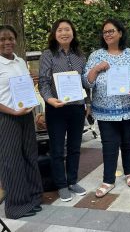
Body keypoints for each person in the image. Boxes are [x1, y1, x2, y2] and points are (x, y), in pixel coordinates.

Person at [83, 19, 130, 198]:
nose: (108, 34)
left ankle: (129, 172)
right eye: (105, 32)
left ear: (120, 33)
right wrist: (96, 69)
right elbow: (86, 82)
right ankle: (108, 180)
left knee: (128, 141)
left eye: (111, 31)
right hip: (105, 110)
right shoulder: (96, 55)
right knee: (109, 144)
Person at [39, 19, 88, 202]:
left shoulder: (80, 56)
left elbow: (84, 83)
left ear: (73, 33)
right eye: (60, 30)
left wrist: (87, 103)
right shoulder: (48, 55)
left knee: (75, 147)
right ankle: (61, 185)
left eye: (67, 29)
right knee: (58, 149)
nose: (64, 33)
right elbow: (43, 82)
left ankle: (72, 181)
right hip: (56, 108)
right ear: (54, 33)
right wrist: (50, 99)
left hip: (76, 107)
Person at [0, 25, 43, 219]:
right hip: (7, 117)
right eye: (2, 39)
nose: (7, 42)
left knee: (30, 156)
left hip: (25, 115)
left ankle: (33, 197)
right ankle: (16, 206)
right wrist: (13, 111)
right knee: (12, 161)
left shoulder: (19, 61)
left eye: (10, 38)